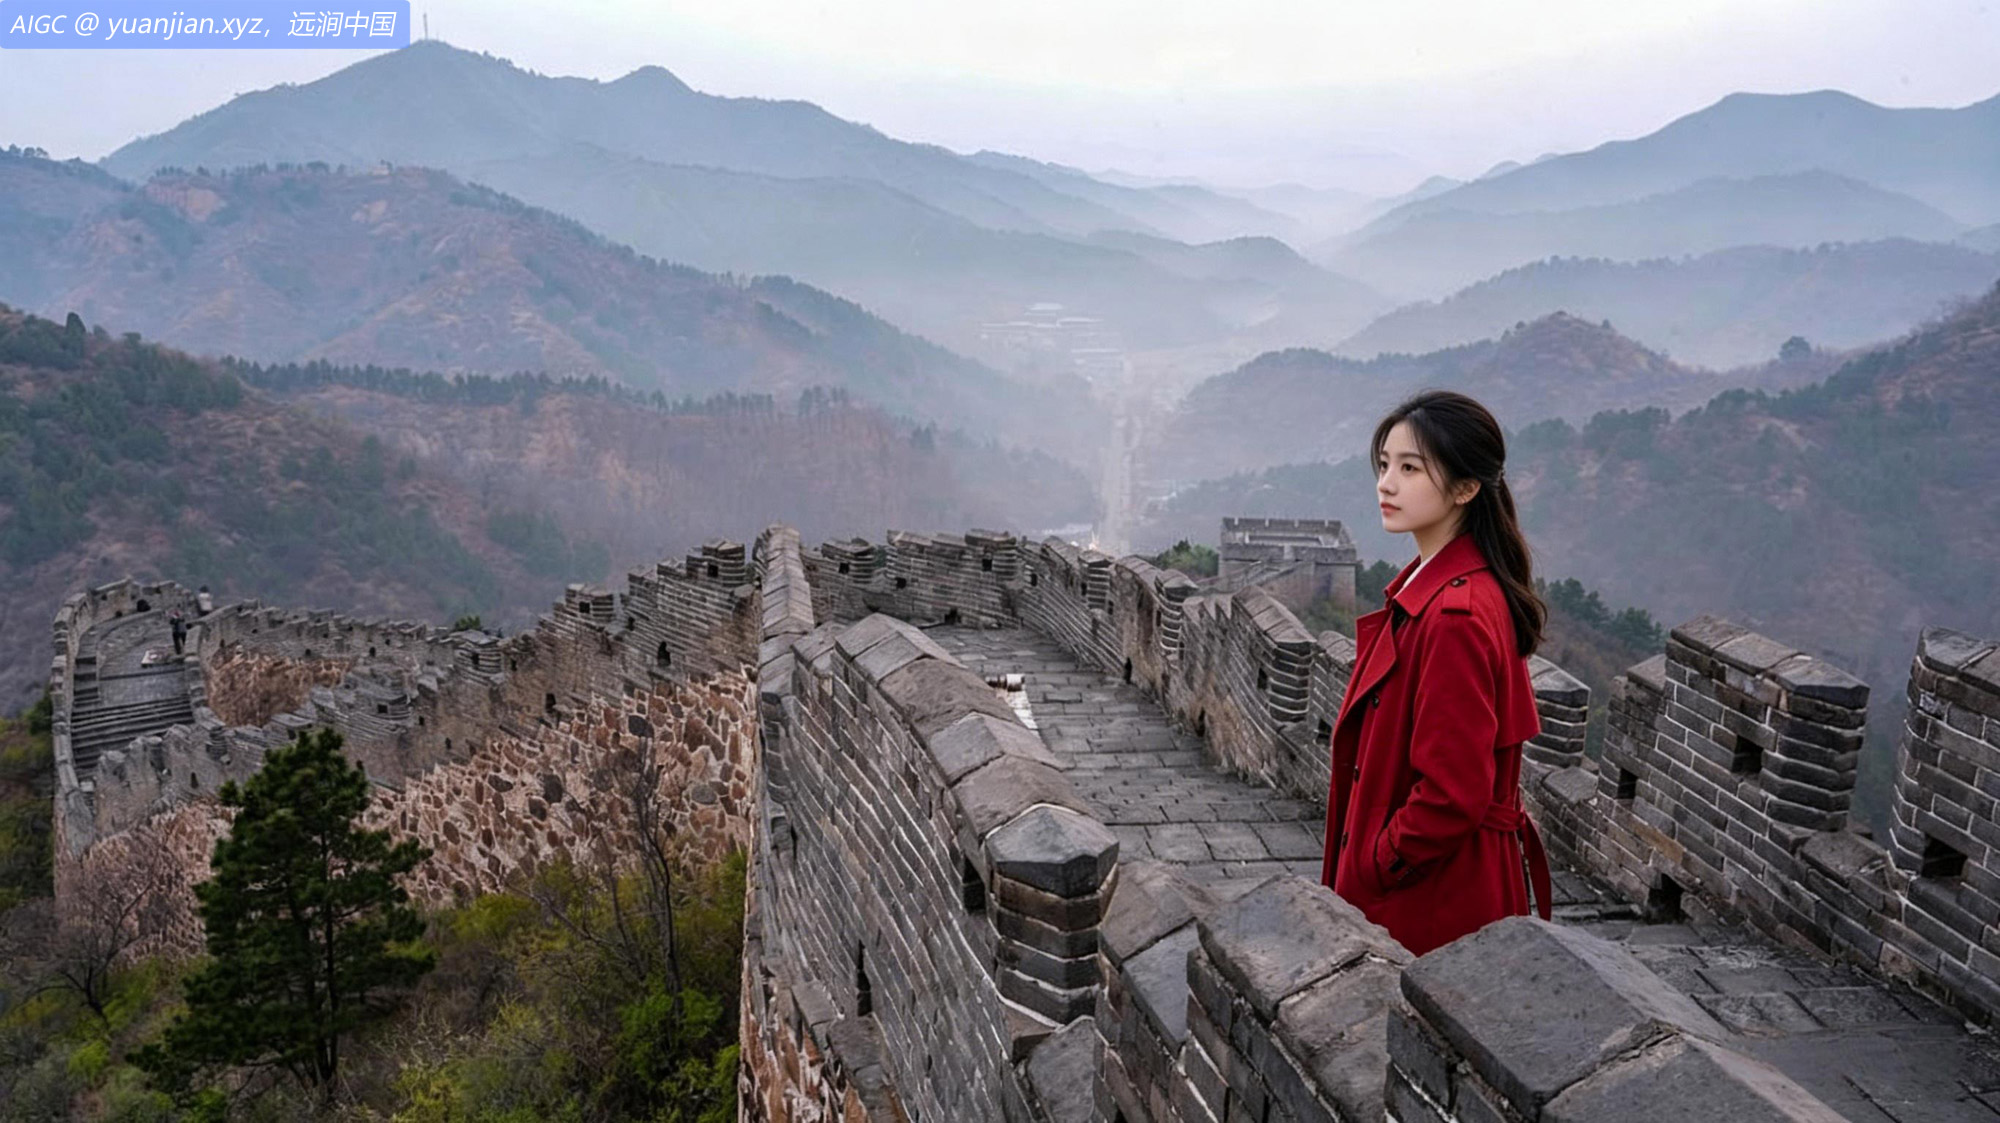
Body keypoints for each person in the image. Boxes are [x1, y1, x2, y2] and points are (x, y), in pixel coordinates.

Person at [1319, 389, 1552, 956]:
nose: (1386, 484)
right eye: (1383, 466)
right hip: (1437, 886)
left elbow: (1451, 795)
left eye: (1410, 468)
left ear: (1467, 488)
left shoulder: (1454, 616)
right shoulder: (1437, 590)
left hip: (1433, 901)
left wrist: (1378, 863)